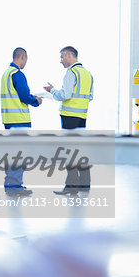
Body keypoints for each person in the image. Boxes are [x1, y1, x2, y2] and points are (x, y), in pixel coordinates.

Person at [44, 46, 93, 196]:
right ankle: (84, 184)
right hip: (82, 117)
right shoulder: (87, 74)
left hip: (69, 117)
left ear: (69, 55)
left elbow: (65, 95)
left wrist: (52, 90)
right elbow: (90, 96)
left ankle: (71, 187)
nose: (61, 61)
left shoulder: (71, 73)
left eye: (62, 57)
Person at [1, 47, 42, 197]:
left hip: (8, 120)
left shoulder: (6, 74)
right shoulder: (17, 74)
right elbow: (24, 97)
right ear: (22, 57)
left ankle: (10, 183)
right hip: (19, 120)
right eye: (26, 60)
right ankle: (15, 186)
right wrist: (36, 101)